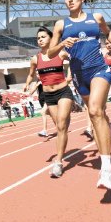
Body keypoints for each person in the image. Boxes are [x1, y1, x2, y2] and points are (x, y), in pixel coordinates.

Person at [47, 0, 111, 190]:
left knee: (95, 111)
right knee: (97, 116)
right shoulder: (60, 25)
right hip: (80, 77)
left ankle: (106, 171)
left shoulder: (96, 17)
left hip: (99, 70)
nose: (69, 0)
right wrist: (63, 44)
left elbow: (108, 33)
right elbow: (50, 53)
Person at [24, 26, 74, 178]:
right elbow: (31, 75)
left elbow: (74, 60)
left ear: (51, 39)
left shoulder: (61, 53)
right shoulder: (35, 59)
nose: (40, 40)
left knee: (62, 123)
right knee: (60, 127)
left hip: (63, 91)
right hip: (49, 96)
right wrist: (27, 84)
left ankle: (58, 161)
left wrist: (70, 75)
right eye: (38, 38)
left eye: (43, 37)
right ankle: (60, 156)